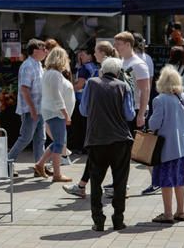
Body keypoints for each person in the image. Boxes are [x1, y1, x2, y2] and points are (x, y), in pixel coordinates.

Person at [79, 57, 135, 231]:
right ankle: (118, 219)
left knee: (96, 181)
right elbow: (130, 115)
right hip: (120, 140)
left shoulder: (91, 83)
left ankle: (98, 220)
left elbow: (83, 110)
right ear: (118, 72)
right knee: (120, 180)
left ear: (102, 70)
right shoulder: (123, 86)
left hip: (97, 139)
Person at [62, 40, 119, 198]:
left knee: (99, 154)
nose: (94, 54)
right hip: (115, 123)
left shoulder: (95, 74)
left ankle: (114, 186)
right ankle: (85, 185)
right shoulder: (113, 71)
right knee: (105, 155)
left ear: (103, 53)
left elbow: (84, 107)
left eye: (95, 51)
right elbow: (128, 111)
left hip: (100, 121)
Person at [149, 66, 184, 224]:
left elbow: (154, 124)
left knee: (166, 180)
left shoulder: (160, 99)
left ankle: (168, 213)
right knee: (179, 180)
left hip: (166, 147)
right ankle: (181, 211)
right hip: (183, 146)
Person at [113, 31, 152, 194]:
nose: (116, 47)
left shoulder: (138, 64)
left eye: (119, 44)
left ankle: (156, 180)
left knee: (140, 150)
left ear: (128, 45)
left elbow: (146, 89)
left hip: (136, 110)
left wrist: (141, 113)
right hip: (125, 110)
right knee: (124, 149)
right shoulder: (122, 61)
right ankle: (120, 182)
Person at [34, 47, 75, 182]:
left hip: (52, 111)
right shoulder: (55, 74)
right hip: (55, 112)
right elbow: (57, 95)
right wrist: (65, 113)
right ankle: (57, 174)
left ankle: (40, 164)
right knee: (59, 143)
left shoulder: (50, 73)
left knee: (58, 142)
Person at [8, 39, 48, 175]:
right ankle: (7, 162)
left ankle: (39, 166)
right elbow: (24, 89)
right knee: (25, 137)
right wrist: (32, 109)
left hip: (40, 108)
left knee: (40, 138)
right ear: (35, 50)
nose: (46, 51)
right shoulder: (28, 66)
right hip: (31, 109)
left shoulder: (38, 64)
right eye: (43, 49)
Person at [71, 47, 98, 152]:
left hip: (81, 100)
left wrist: (68, 89)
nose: (80, 57)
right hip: (91, 99)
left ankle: (81, 147)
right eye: (79, 55)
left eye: (83, 54)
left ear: (90, 56)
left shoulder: (84, 68)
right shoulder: (95, 67)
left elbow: (80, 85)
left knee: (80, 126)